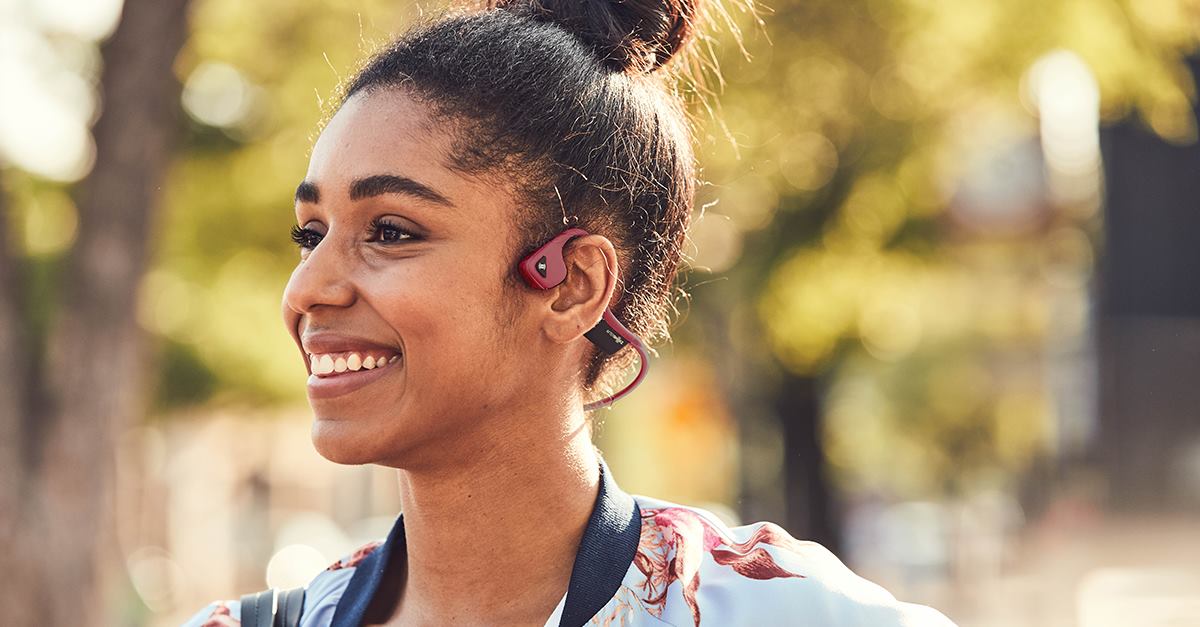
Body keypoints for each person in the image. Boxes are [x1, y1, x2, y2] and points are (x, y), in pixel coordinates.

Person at [183, 0, 958, 625]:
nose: (308, 288)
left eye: (390, 231)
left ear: (572, 284)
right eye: (309, 234)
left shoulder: (778, 612)